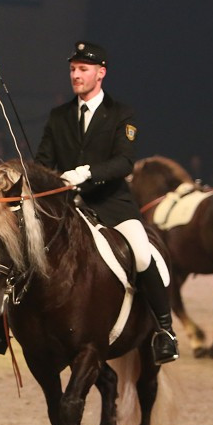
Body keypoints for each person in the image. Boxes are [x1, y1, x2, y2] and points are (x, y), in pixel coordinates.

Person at [34, 40, 179, 364]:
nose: (75, 75)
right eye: (72, 69)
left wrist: (86, 173)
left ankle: (165, 332)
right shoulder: (59, 117)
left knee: (143, 255)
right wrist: (41, 178)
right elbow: (43, 161)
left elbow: (125, 162)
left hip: (113, 205)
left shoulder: (121, 114)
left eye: (82, 69)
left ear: (101, 73)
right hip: (71, 208)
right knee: (26, 251)